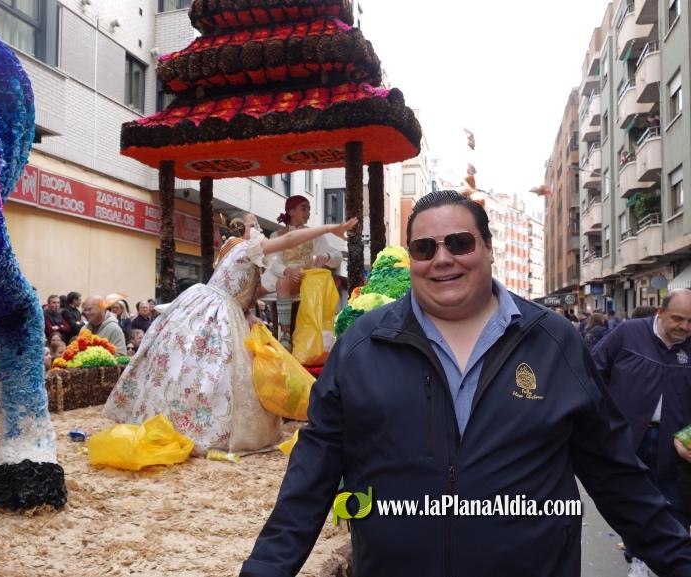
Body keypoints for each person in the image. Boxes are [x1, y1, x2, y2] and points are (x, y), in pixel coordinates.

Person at [241, 191, 691, 577]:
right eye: (424, 248)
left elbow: (616, 474)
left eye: (459, 243)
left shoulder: (553, 341)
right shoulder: (363, 344)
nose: (442, 259)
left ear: (488, 248)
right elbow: (311, 475)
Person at [104, 213, 359, 454]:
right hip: (214, 313)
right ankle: (190, 426)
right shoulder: (242, 248)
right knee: (204, 370)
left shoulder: (250, 259)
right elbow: (288, 240)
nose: (258, 230)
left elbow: (245, 291)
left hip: (226, 311)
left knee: (210, 372)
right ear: (240, 232)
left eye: (257, 226)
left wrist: (248, 312)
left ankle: (198, 424)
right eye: (253, 225)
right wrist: (329, 228)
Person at [591, 290, 691, 539]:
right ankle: (637, 557)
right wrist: (604, 422)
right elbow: (593, 374)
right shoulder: (629, 333)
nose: (685, 327)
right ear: (660, 312)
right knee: (632, 502)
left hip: (675, 442)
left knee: (674, 505)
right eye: (678, 318)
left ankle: (674, 561)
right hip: (629, 436)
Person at [261, 195, 342, 349]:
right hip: (284, 280)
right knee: (273, 285)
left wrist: (327, 256)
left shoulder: (314, 234)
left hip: (309, 281)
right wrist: (287, 271)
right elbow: (271, 261)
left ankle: (294, 340)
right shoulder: (276, 235)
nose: (308, 212)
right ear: (291, 211)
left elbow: (337, 256)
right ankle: (284, 334)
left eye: (309, 209)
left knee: (283, 284)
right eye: (303, 208)